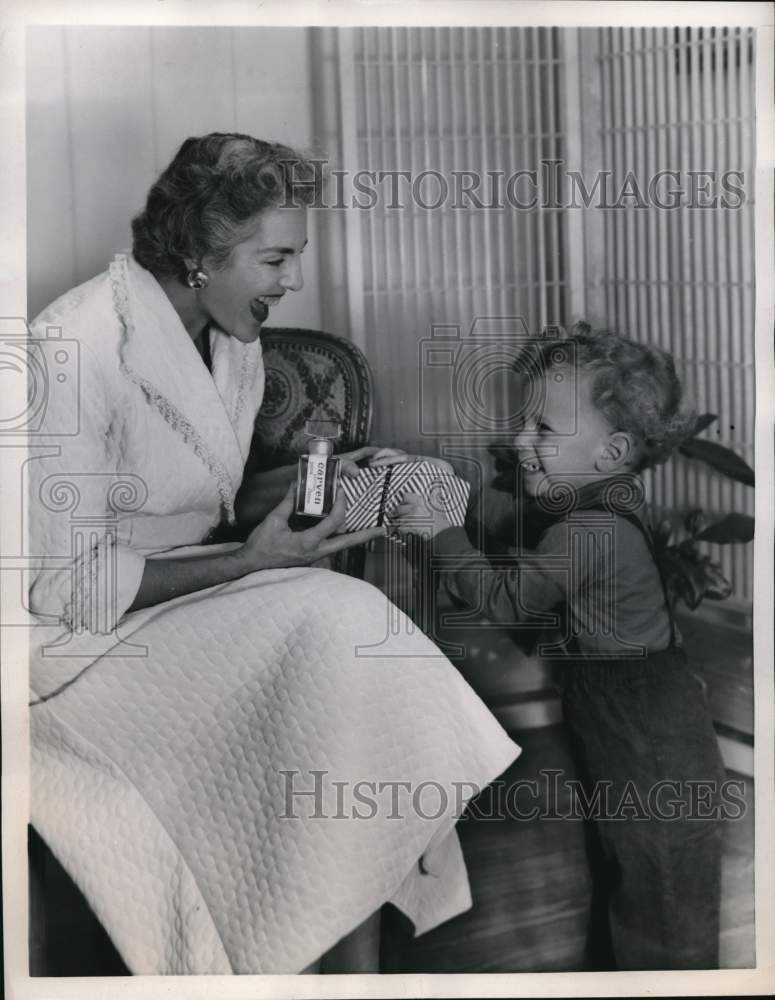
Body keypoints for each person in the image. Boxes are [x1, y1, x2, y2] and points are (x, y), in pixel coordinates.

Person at [27, 132, 520, 975]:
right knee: (336, 621)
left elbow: (205, 501)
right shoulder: (68, 348)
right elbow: (65, 585)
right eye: (276, 258)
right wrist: (255, 562)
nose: (291, 282)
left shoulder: (233, 339)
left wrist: (320, 478)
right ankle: (333, 966)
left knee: (343, 660)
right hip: (68, 641)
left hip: (176, 598)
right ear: (197, 252)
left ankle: (346, 969)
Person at [394, 324, 726, 970]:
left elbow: (506, 601)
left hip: (648, 735)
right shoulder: (584, 503)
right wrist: (439, 489)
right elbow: (503, 520)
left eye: (542, 432)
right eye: (525, 424)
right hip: (617, 720)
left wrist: (439, 530)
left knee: (660, 899)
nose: (520, 442)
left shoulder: (591, 531)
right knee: (623, 875)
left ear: (611, 453)